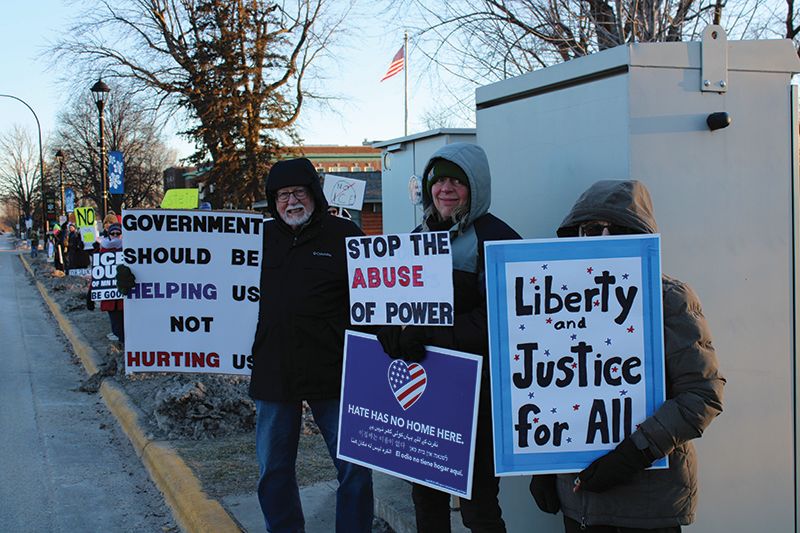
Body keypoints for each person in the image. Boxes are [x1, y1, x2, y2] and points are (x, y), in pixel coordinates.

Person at [529, 179, 725, 533]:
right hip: (579, 502)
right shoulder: (557, 302)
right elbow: (549, 389)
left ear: (639, 235)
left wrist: (633, 454)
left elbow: (702, 395)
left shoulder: (670, 298)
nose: (600, 240)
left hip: (648, 503)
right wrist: (543, 467)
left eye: (615, 230)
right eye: (588, 230)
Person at [378, 143, 521, 533]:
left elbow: (504, 321)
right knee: (426, 500)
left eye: (457, 181)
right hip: (423, 394)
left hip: (479, 397)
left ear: (476, 187)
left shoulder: (498, 239)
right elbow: (390, 305)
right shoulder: (414, 237)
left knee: (479, 507)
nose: (445, 189)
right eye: (438, 180)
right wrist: (389, 331)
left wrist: (430, 332)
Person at [249, 157, 374, 532]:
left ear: (315, 196)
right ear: (273, 201)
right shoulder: (257, 239)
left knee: (354, 467)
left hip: (335, 369)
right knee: (274, 469)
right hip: (274, 368)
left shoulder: (345, 235)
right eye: (283, 195)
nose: (291, 202)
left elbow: (377, 296)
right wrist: (139, 278)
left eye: (298, 192)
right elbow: (202, 271)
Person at [99, 223, 124, 343]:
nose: (115, 236)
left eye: (117, 233)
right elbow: (98, 271)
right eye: (112, 233)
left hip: (124, 295)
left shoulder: (128, 247)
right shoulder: (103, 248)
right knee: (115, 323)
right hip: (109, 294)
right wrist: (91, 292)